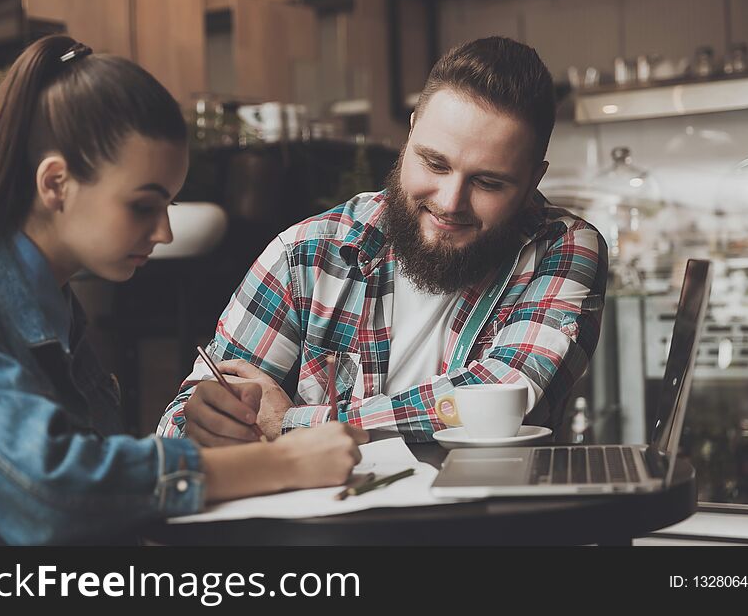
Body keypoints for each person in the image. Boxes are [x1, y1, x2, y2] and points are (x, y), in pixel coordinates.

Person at [0, 35, 367, 546]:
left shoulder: (55, 308)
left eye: (169, 205)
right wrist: (277, 462)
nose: (164, 233)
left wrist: (209, 442)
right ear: (55, 182)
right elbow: (52, 493)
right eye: (143, 206)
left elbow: (101, 488)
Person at [159, 35, 608, 446]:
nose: (450, 202)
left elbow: (497, 401)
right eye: (434, 164)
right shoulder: (306, 254)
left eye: (488, 183)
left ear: (533, 182)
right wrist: (203, 418)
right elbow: (182, 421)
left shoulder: (563, 249)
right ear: (409, 134)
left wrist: (292, 423)